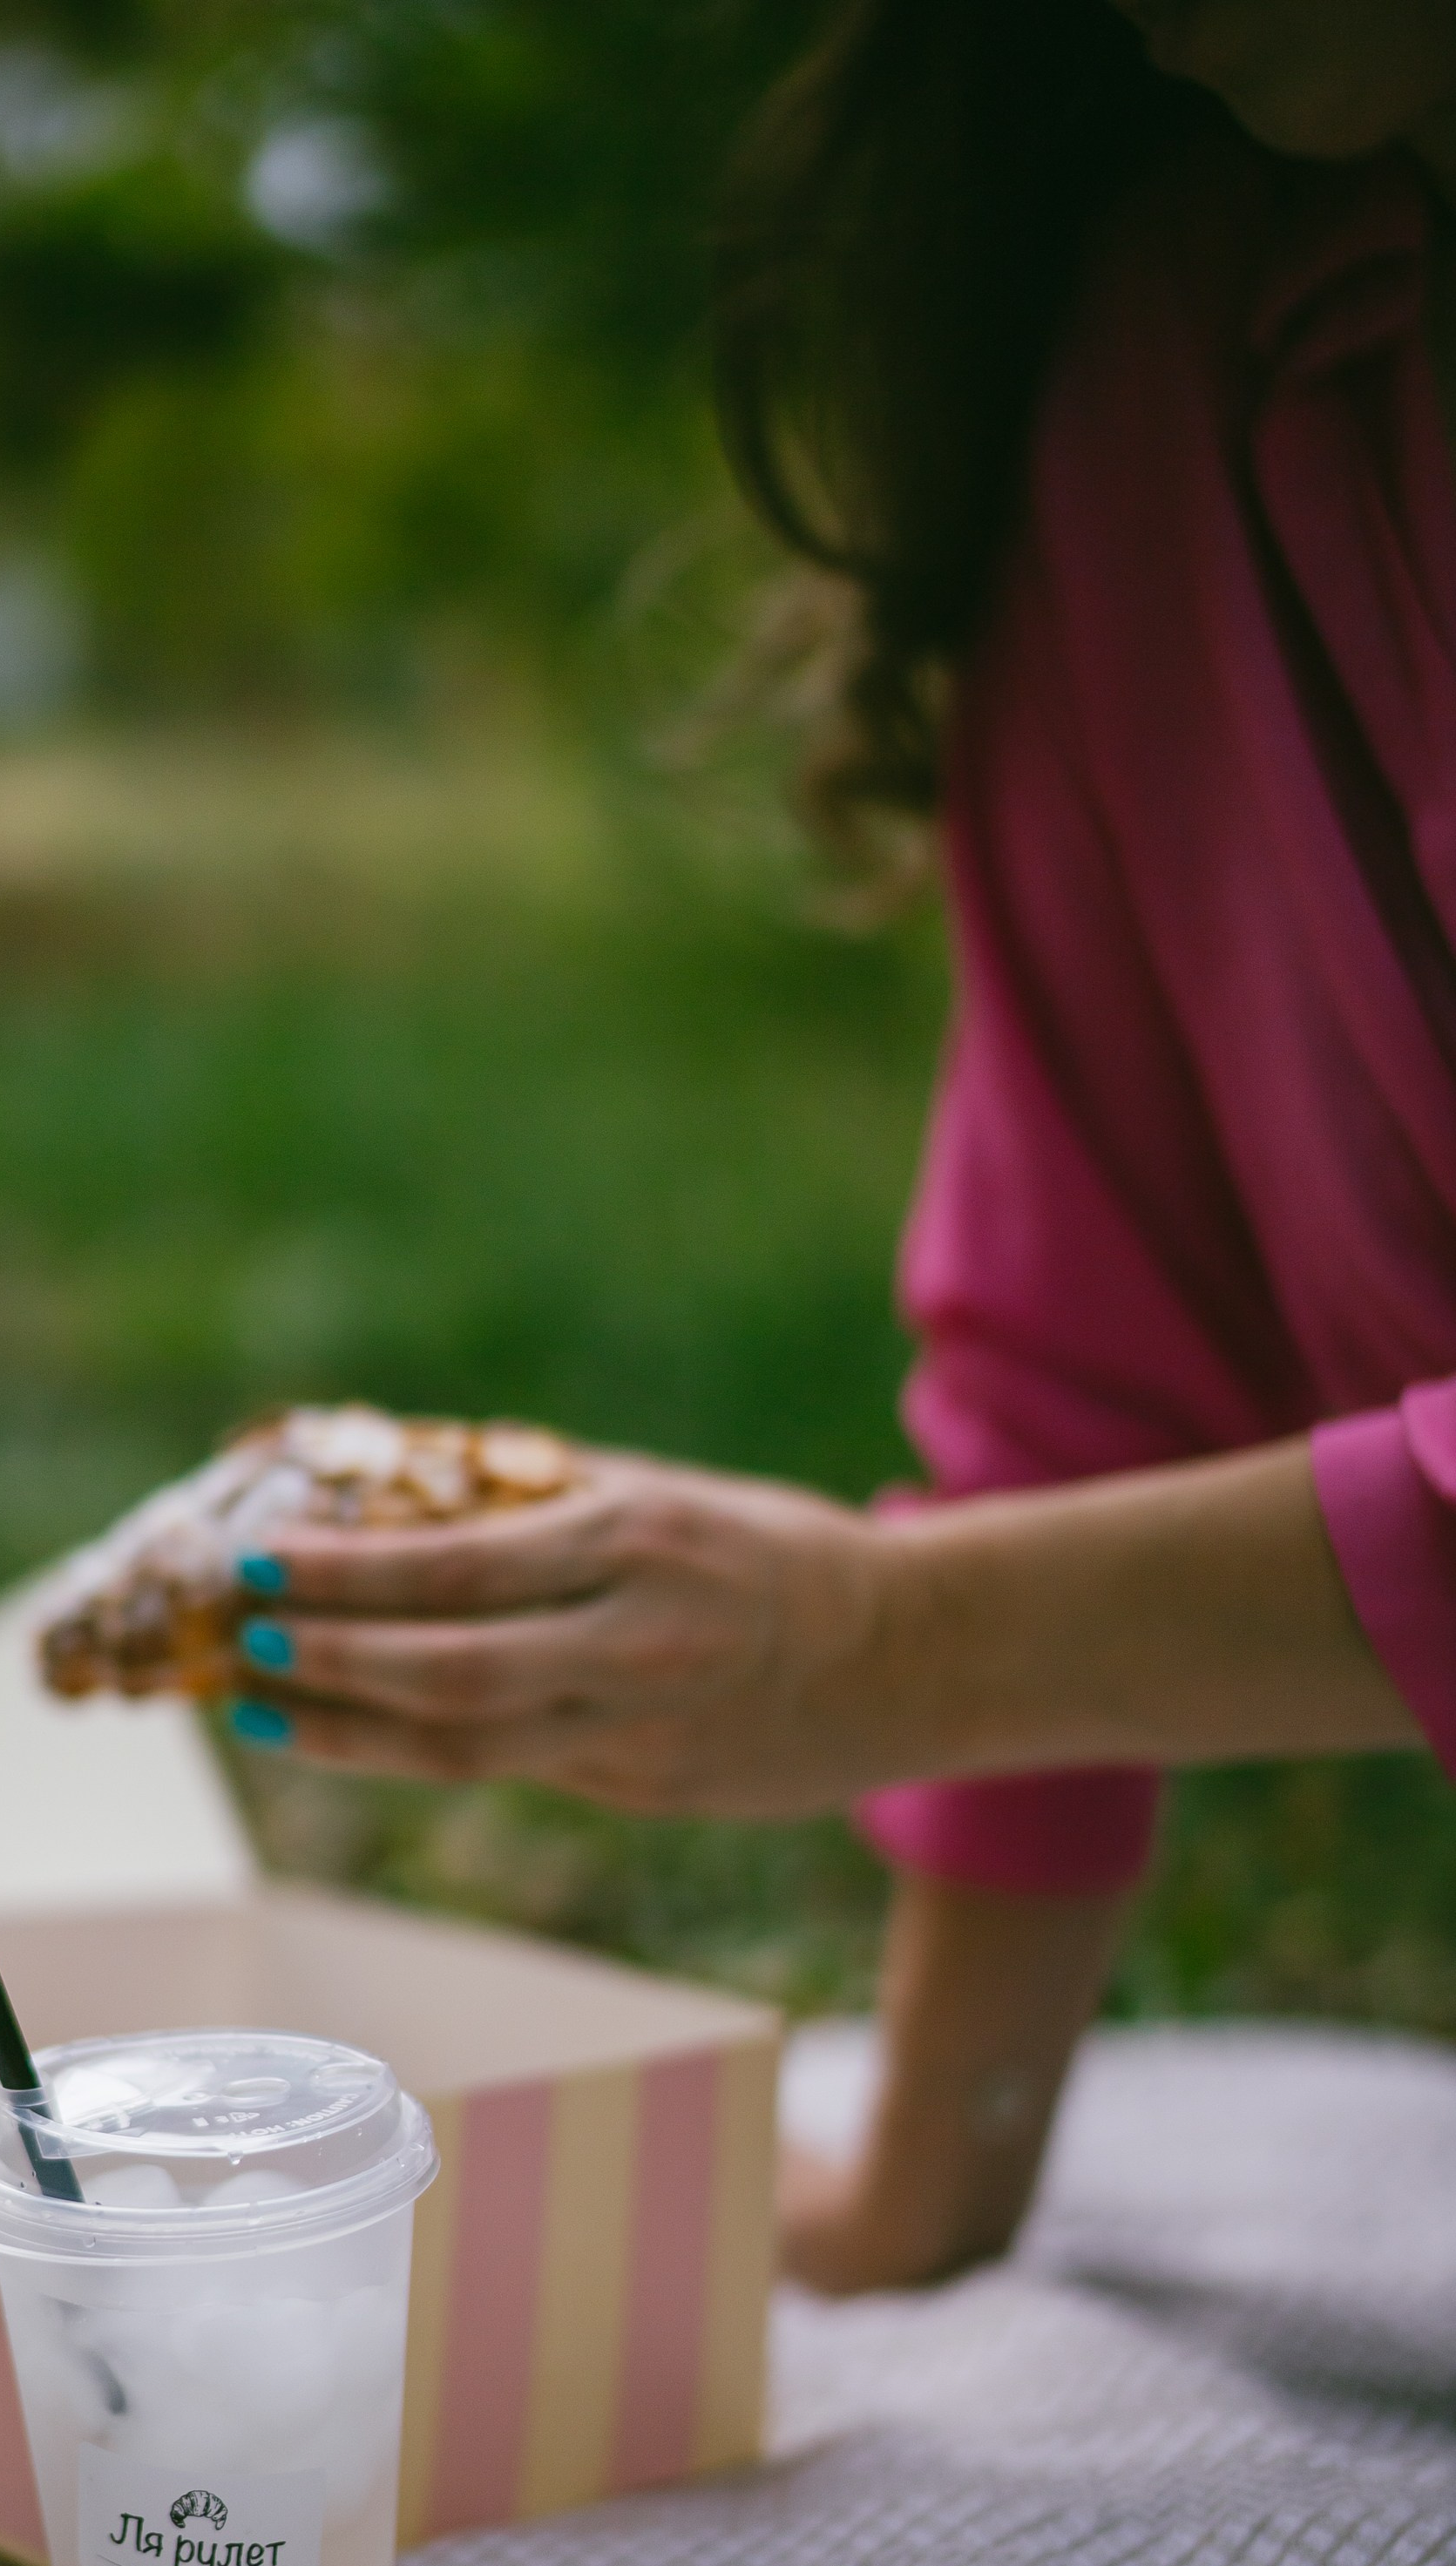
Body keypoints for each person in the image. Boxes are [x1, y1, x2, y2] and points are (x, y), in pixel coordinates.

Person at [225, 0, 1456, 2294]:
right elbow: (1084, 1330)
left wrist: (894, 1645)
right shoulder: (1175, 363)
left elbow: (981, 1592)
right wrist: (925, 2183)